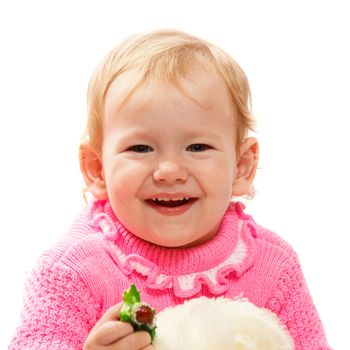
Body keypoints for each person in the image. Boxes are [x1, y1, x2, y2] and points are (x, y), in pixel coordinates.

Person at [9, 30, 331, 350]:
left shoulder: (273, 267)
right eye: (140, 148)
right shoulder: (73, 273)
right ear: (97, 169)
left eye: (197, 146)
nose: (169, 172)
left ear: (241, 166)